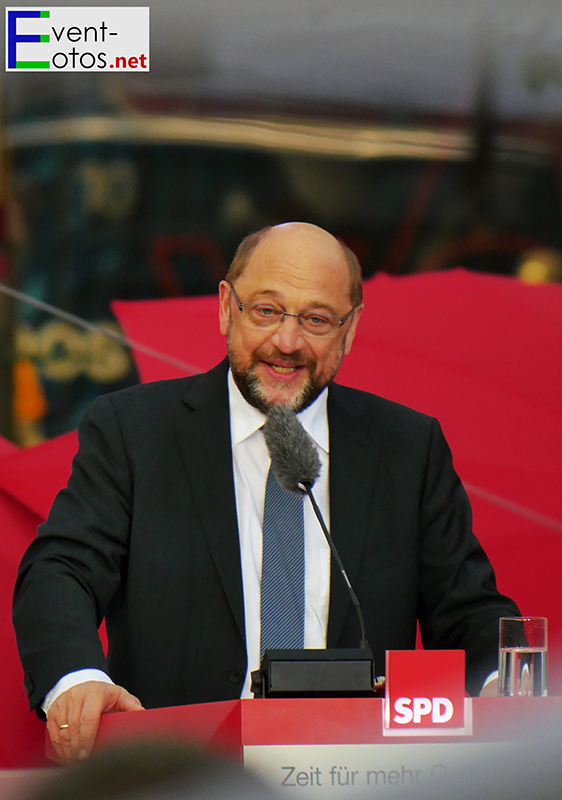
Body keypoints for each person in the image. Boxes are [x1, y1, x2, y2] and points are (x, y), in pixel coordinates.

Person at [13, 222, 519, 765]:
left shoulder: (406, 448)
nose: (287, 342)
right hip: (177, 774)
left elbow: (468, 613)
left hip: (358, 773)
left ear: (349, 331)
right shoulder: (134, 431)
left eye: (317, 320)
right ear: (227, 308)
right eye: (266, 311)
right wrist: (78, 680)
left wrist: (502, 689)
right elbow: (60, 571)